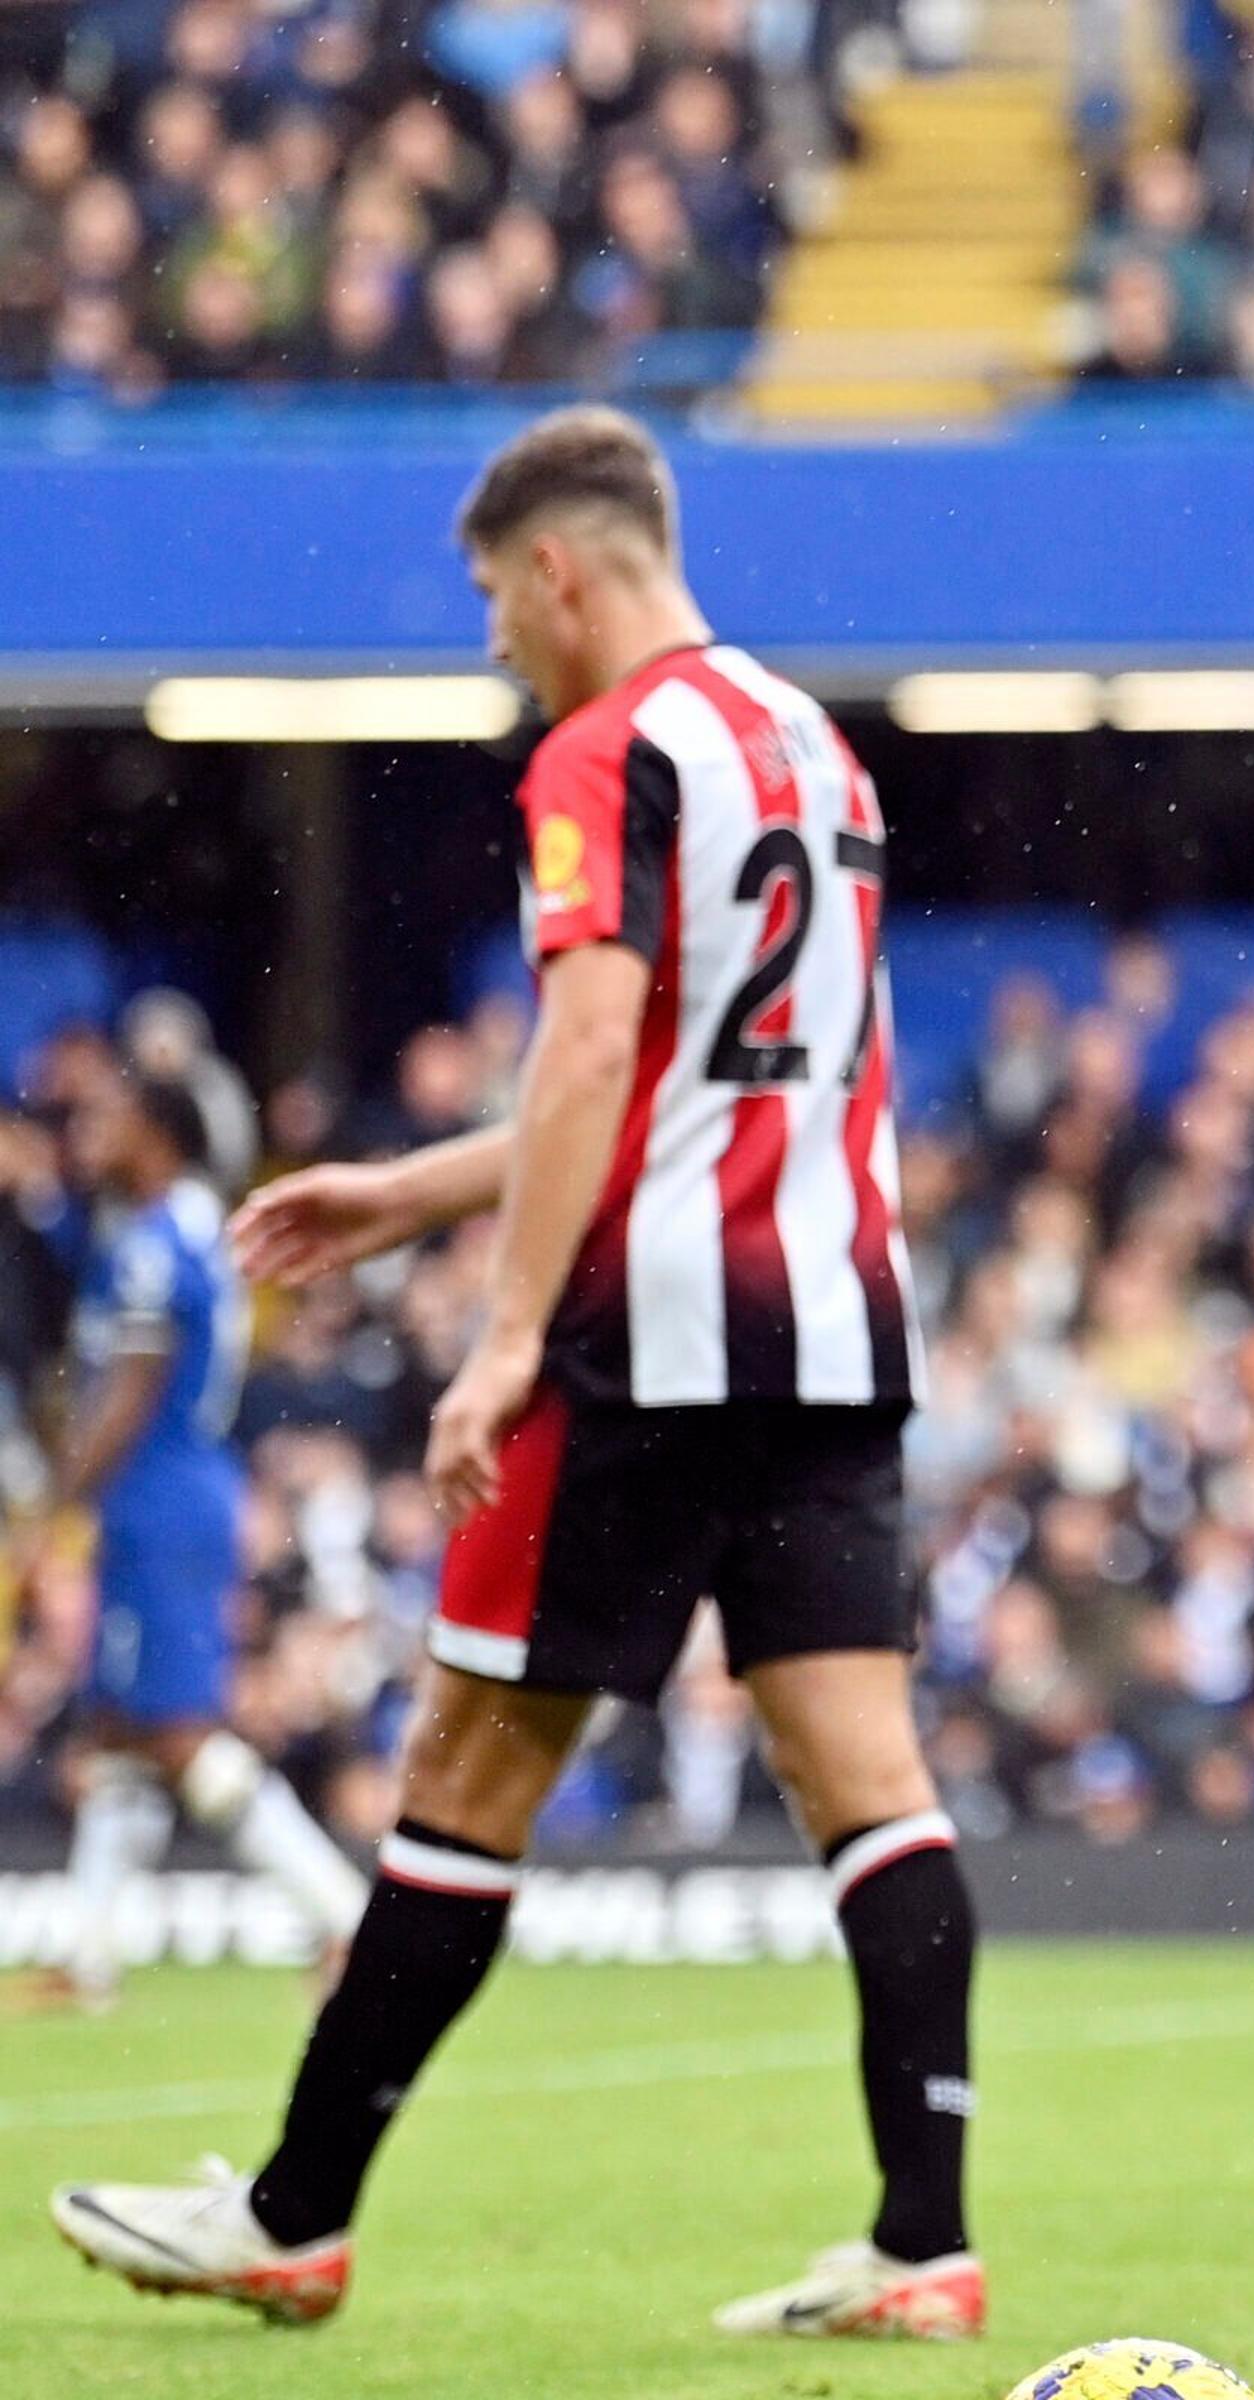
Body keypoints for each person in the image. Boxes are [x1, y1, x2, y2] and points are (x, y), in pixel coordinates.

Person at [51, 406, 973, 2341]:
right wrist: (409, 1188)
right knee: (870, 1785)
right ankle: (923, 2244)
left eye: (491, 595)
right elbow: (715, 1075)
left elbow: (587, 1053)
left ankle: (292, 2216)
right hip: (831, 1324)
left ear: (560, 568)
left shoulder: (605, 749)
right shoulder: (813, 749)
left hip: (642, 1339)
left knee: (467, 1774)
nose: (491, 637)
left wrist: (492, 1342)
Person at [20, 1066, 365, 2012]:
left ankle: (344, 1918)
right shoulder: (184, 1230)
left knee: (175, 1732)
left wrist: (59, 1505)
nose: (93, 1129)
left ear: (161, 1134)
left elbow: (128, 1391)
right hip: (184, 1488)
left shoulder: (151, 1244)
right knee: (121, 1731)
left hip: (156, 1494)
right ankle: (88, 1962)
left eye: (114, 1115)